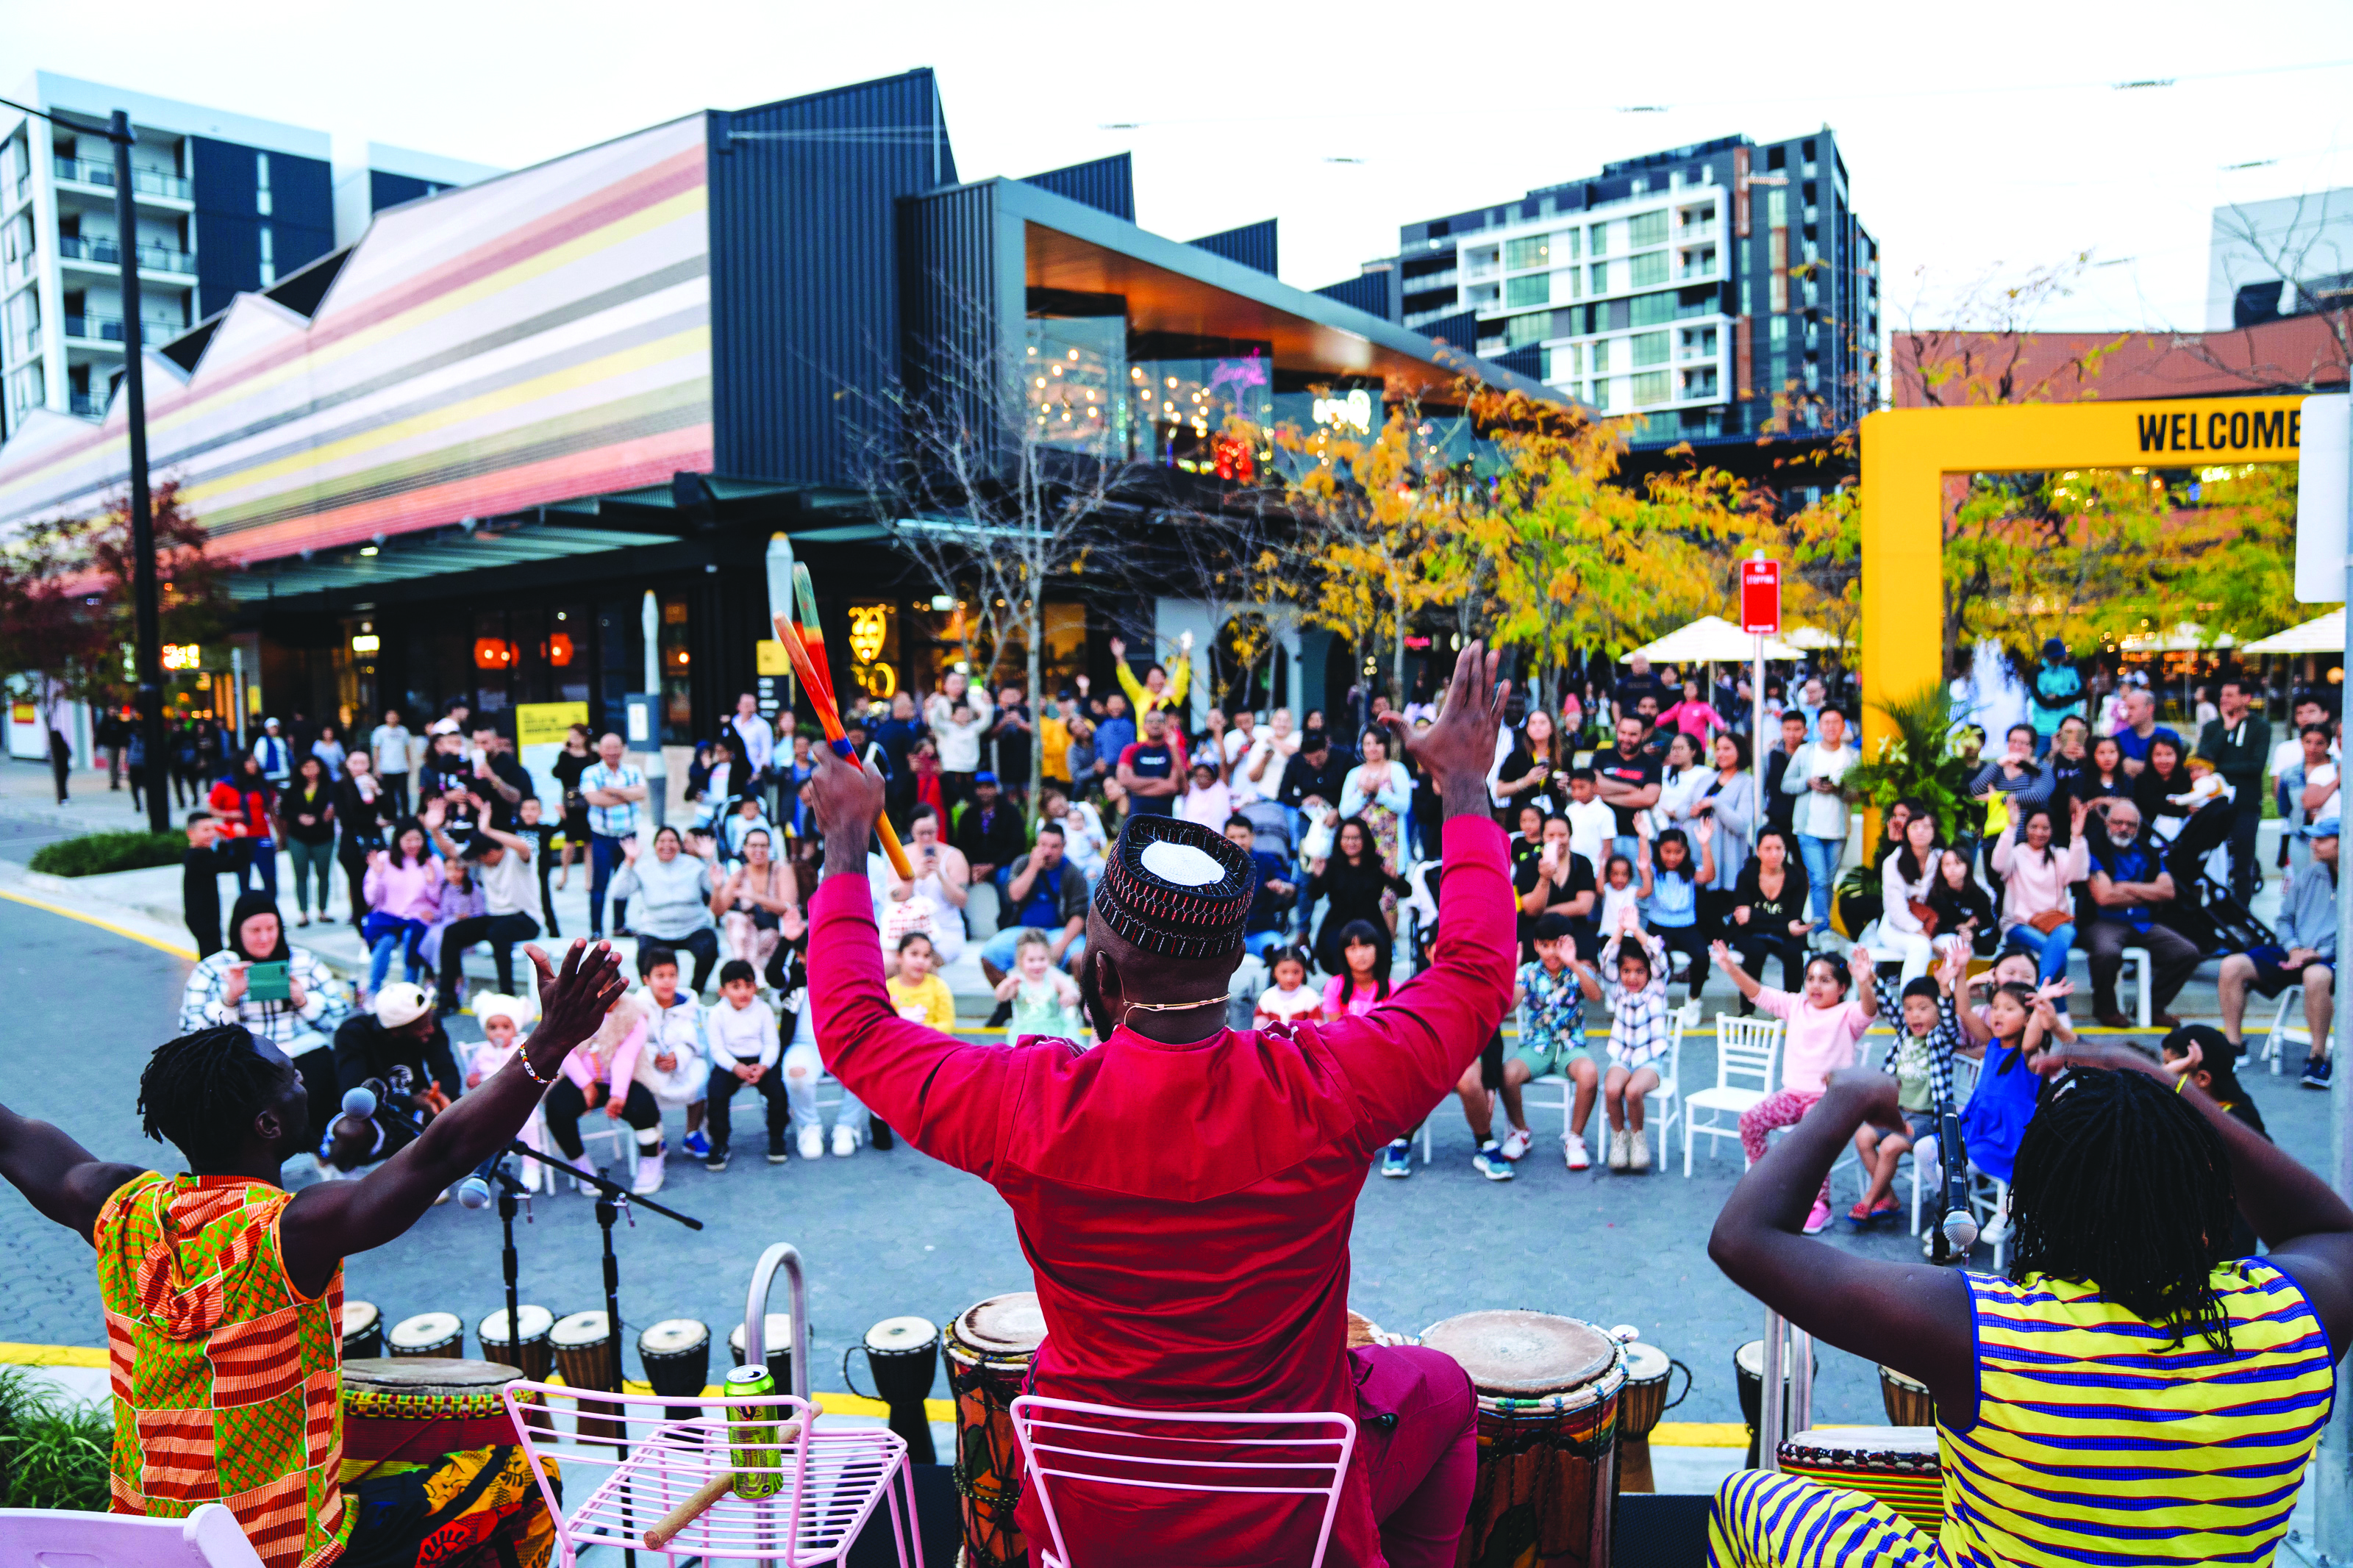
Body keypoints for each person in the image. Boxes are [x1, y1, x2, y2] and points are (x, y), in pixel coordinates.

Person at [804, 642, 1515, 1568]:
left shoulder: (1028, 1103)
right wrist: (1464, 788)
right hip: (1290, 1516)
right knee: (1446, 1391)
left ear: (1098, 971)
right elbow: (1471, 973)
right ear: (1234, 970)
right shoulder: (1328, 1086)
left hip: (1090, 1516)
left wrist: (845, 848)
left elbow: (854, 1029)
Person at [0, 941, 619, 1565]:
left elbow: (12, 1136)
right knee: (520, 1473)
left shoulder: (116, 1208)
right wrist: (550, 1041)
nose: (306, 1082)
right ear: (268, 1125)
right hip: (286, 1554)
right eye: (294, 1076)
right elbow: (444, 1152)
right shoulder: (290, 1233)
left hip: (154, 1548)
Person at [1704, 1031, 2353, 1568]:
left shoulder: (1990, 1331)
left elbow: (1744, 1237)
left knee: (1751, 1498)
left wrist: (1847, 1097)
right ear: (2209, 1203)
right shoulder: (2293, 1321)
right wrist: (2164, 1088)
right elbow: (2330, 1229)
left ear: (2039, 1205)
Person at [1715, 943, 1877, 1234]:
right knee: (1749, 1121)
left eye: (1825, 980)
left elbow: (1869, 1010)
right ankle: (1768, 1183)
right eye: (1811, 978)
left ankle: (1820, 1206)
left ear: (1842, 988)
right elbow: (1758, 993)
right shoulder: (1795, 1006)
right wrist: (1731, 968)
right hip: (1792, 1095)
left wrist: (1865, 982)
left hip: (1830, 1101)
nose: (1815, 985)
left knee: (1814, 1136)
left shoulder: (1848, 1014)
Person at [179, 890, 349, 1153]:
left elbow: (340, 1021)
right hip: (244, 1059)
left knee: (322, 1069)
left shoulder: (303, 962)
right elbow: (190, 1033)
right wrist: (228, 1000)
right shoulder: (214, 969)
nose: (265, 937)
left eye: (272, 928)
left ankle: (326, 1151)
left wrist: (303, 1000)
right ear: (238, 930)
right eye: (255, 930)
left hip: (300, 1053)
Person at [1475, 912, 1603, 1173]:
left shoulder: (1580, 970)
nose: (1551, 952)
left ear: (1568, 943)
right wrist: (1511, 972)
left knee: (1589, 1074)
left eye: (1557, 945)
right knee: (1507, 1074)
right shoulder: (1529, 972)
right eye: (1544, 945)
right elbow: (1509, 1006)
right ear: (1536, 946)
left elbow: (1596, 996)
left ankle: (1575, 1138)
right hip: (1537, 1046)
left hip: (1570, 1047)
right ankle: (1520, 1131)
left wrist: (1574, 963)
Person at [2219, 817, 2338, 1090]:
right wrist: (2294, 948)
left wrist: (2317, 953)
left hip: (2331, 958)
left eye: (2322, 839)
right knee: (2232, 966)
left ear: (2344, 843)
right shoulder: (2308, 874)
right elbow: (2284, 920)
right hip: (2295, 950)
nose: (2313, 844)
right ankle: (2233, 1047)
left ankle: (2318, 1058)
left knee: (2316, 976)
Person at [1851, 948, 1964, 1228]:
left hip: (1925, 1119)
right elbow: (1887, 1004)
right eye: (1910, 1008)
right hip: (1896, 1113)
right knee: (1863, 1137)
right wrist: (1870, 977)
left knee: (1889, 1146)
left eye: (1924, 1008)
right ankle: (1887, 1197)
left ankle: (1867, 1201)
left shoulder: (1941, 1039)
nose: (1914, 1015)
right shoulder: (1905, 1032)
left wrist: (1944, 989)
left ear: (1938, 1010)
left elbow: (1950, 1022)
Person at [2083, 798, 2201, 1030]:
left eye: (2130, 824)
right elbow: (2104, 897)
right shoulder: (2093, 846)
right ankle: (2106, 1008)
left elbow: (2168, 892)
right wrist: (2148, 892)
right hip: (2104, 920)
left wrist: (2124, 886)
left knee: (2187, 953)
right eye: (2118, 822)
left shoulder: (2148, 850)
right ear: (2107, 823)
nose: (2123, 829)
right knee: (2107, 953)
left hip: (2142, 921)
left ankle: (2152, 1006)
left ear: (2138, 828)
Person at [326, 982, 465, 1176]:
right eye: (422, 1027)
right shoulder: (353, 1033)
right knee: (351, 1131)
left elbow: (446, 1070)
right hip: (372, 1111)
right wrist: (411, 1101)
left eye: (430, 1021)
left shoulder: (430, 1023)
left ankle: (431, 1170)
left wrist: (443, 1095)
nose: (431, 1030)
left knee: (459, 1107)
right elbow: (354, 1093)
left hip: (418, 1105)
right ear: (396, 1031)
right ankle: (343, 1175)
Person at [423, 801, 542, 1011]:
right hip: (495, 917)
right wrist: (434, 829)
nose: (479, 862)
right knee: (452, 932)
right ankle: (447, 998)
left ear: (493, 851)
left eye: (481, 857)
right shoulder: (482, 859)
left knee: (498, 932)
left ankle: (507, 995)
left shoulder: (517, 858)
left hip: (526, 919)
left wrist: (487, 830)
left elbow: (523, 845)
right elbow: (451, 850)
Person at [1595, 920, 1674, 1172]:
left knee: (1632, 1091)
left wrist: (1635, 928)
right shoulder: (1618, 990)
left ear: (1649, 973)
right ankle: (1620, 1137)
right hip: (1623, 1057)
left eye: (1640, 971)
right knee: (1611, 1089)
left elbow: (1659, 959)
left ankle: (1638, 1137)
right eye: (1627, 971)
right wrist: (1619, 930)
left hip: (1650, 1061)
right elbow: (1606, 962)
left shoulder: (1657, 989)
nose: (1632, 977)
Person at [1990, 799, 2090, 994]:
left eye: (2045, 828)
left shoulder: (2058, 855)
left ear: (2052, 831)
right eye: (2033, 827)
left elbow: (2079, 874)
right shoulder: (2017, 854)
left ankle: (2037, 993)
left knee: (2066, 933)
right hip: (2019, 925)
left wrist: (2077, 838)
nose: (2039, 832)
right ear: (2026, 828)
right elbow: (1998, 865)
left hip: (2055, 925)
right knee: (2053, 950)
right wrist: (2011, 827)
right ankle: (2050, 1003)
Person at [608, 825, 721, 993]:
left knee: (709, 948)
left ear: (680, 845)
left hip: (693, 927)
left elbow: (716, 888)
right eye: (662, 841)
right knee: (644, 956)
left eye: (672, 841)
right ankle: (654, 995)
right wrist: (629, 862)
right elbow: (618, 892)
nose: (667, 845)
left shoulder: (694, 865)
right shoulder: (643, 868)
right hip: (655, 929)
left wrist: (710, 859)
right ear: (655, 846)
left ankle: (695, 993)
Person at [982, 823, 1090, 983]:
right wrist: (1033, 867)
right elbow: (1014, 895)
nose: (1047, 852)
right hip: (1023, 931)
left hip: (1058, 932)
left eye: (1054, 847)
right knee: (989, 956)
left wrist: (1061, 946)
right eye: (1043, 845)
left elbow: (1079, 916)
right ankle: (1011, 1002)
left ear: (1063, 846)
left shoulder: (1073, 873)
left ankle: (1080, 1005)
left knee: (1080, 960)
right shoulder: (1023, 864)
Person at [1781, 707, 1856, 932]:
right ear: (1818, 726)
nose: (1831, 727)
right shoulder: (1805, 752)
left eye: (1836, 722)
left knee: (1827, 882)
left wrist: (1838, 789)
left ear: (1844, 726)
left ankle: (1821, 926)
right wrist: (1808, 783)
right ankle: (1821, 929)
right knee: (1819, 879)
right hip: (1809, 828)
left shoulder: (1853, 756)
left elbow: (1858, 794)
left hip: (1838, 830)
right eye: (1826, 722)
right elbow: (1786, 784)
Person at [2197, 676, 2271, 900]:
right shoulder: (2213, 727)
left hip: (2246, 804)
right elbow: (2204, 759)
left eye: (2230, 695)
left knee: (2243, 862)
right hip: (2213, 803)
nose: (2224, 699)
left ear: (2246, 698)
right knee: (2210, 858)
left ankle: (2242, 913)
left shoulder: (2260, 727)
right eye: (2222, 695)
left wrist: (2219, 768)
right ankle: (2212, 909)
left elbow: (2256, 765)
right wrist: (2226, 730)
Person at [1308, 818, 1412, 975]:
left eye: (1356, 838)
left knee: (1381, 946)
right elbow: (1315, 894)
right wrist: (1317, 877)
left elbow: (1406, 892)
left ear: (1365, 839)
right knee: (1336, 946)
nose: (1351, 842)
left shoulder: (1377, 864)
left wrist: (1395, 878)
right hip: (1338, 922)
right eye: (1346, 838)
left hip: (1372, 921)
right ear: (1339, 840)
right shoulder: (1331, 864)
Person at [1722, 828, 1811, 1009]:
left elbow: (1793, 919)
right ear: (1758, 851)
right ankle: (1747, 1011)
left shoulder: (1797, 878)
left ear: (1785, 850)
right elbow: (1742, 919)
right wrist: (1783, 925)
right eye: (1768, 848)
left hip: (1783, 934)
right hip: (1748, 933)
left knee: (1794, 953)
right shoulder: (1747, 875)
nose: (1774, 854)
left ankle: (1791, 1009)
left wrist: (1754, 916)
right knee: (1756, 951)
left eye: (1779, 848)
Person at [1635, 820, 1713, 1014]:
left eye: (1678, 852)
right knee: (1654, 956)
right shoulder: (1654, 871)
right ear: (1659, 850)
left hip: (1686, 926)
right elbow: (1643, 865)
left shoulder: (1690, 871)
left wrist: (1705, 844)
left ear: (1686, 851)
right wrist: (1643, 838)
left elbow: (1709, 876)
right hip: (1659, 925)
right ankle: (1657, 998)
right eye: (1667, 851)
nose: (1672, 857)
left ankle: (1694, 999)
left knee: (1703, 957)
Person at [579, 732, 648, 939]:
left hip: (628, 836)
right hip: (603, 836)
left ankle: (620, 925)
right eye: (608, 748)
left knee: (624, 880)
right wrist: (627, 796)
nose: (612, 752)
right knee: (600, 883)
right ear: (600, 750)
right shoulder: (591, 772)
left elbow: (642, 794)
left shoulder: (632, 771)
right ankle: (596, 930)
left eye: (616, 747)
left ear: (622, 749)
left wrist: (611, 791)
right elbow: (594, 799)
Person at [887, 805, 971, 969]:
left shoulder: (954, 856)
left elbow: (962, 901)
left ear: (938, 830)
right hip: (907, 929)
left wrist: (941, 875)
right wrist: (914, 877)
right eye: (921, 833)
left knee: (923, 964)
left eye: (930, 832)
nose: (926, 838)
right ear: (912, 832)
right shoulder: (901, 855)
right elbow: (894, 897)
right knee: (888, 964)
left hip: (945, 930)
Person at [715, 826, 803, 975]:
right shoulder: (739, 874)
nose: (759, 850)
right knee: (735, 920)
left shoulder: (781, 870)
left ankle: (748, 975)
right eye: (754, 845)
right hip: (747, 935)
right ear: (745, 848)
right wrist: (717, 888)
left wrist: (754, 897)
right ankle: (748, 973)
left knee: (759, 939)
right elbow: (718, 910)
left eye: (763, 846)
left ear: (769, 848)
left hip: (776, 931)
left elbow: (789, 907)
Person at [1876, 801, 1942, 983]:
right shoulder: (1892, 862)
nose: (1920, 831)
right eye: (1914, 827)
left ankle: (1951, 1005)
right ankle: (1912, 1003)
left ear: (1934, 832)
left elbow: (1976, 891)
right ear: (1906, 832)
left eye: (1926, 827)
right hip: (1895, 927)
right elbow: (1897, 913)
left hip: (1934, 925)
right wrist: (1931, 942)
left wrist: (1969, 923)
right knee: (1920, 946)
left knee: (1955, 946)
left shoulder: (1943, 859)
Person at [1593, 714, 1663, 864]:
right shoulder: (1602, 757)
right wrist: (1632, 789)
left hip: (1636, 836)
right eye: (1623, 732)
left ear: (1643, 735)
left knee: (1636, 885)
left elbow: (1649, 798)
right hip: (1600, 835)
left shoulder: (1652, 764)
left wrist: (1607, 795)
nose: (1626, 738)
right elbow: (1595, 785)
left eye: (1633, 734)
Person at [996, 928, 1085, 1044]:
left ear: (1049, 958)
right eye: (1031, 960)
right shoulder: (1018, 981)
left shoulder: (1053, 978)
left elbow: (1073, 991)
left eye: (1042, 959)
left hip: (1054, 1033)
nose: (1037, 965)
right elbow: (1001, 997)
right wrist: (1007, 985)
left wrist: (1070, 995)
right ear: (1021, 961)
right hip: (1026, 1034)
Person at [279, 754, 338, 928]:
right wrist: (299, 817)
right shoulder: (292, 789)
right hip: (298, 836)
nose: (311, 771)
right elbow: (284, 810)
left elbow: (334, 807)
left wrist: (324, 816)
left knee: (323, 873)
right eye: (306, 767)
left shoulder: (330, 788)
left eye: (314, 767)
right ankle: (303, 912)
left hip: (323, 835)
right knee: (301, 874)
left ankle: (323, 910)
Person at [332, 751, 385, 925]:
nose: (359, 767)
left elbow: (390, 813)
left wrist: (378, 791)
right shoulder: (339, 787)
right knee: (357, 883)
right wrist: (374, 821)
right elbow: (345, 818)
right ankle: (360, 919)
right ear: (347, 764)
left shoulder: (375, 783)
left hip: (374, 841)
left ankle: (378, 916)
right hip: (352, 841)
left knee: (379, 880)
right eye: (355, 762)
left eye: (363, 762)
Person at [181, 811, 241, 959]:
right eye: (206, 830)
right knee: (212, 957)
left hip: (206, 917)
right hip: (203, 920)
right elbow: (232, 864)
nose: (212, 834)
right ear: (191, 833)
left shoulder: (200, 853)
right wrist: (240, 838)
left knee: (213, 954)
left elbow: (220, 861)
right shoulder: (196, 857)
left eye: (213, 829)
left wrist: (223, 843)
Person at [2280, 723, 2339, 873]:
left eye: (2319, 743)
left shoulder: (2339, 769)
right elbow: (2285, 807)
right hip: (2301, 835)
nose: (2313, 748)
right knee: (2303, 881)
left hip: (2331, 836)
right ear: (2301, 742)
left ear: (2328, 744)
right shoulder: (2290, 773)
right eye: (2308, 742)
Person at [1490, 709, 1565, 825]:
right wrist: (1525, 782)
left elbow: (1574, 793)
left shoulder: (1563, 757)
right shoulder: (1516, 757)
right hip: (1521, 823)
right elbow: (1498, 792)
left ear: (1552, 728)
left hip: (1553, 822)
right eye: (1533, 723)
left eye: (1542, 722)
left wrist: (1567, 788)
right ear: (1528, 729)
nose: (1538, 727)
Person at [1115, 706, 1188, 822]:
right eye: (1150, 721)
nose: (1155, 724)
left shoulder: (1176, 751)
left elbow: (1173, 786)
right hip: (1137, 816)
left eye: (1160, 721)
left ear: (1166, 725)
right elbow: (1124, 780)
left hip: (1167, 817)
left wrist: (1136, 788)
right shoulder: (1130, 750)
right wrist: (1159, 782)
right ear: (1143, 726)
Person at [1108, 630, 1193, 715]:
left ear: (1165, 679)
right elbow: (1126, 680)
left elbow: (1182, 679)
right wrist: (1119, 657)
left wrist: (1185, 651)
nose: (1157, 681)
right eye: (1153, 678)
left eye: (1160, 677)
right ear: (1146, 681)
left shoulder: (1172, 695)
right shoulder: (1139, 696)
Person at [2027, 636, 2083, 753]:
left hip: (2071, 725)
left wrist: (2058, 697)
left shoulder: (2071, 669)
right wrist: (2066, 698)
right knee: (2040, 763)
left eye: (2060, 658)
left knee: (2075, 758)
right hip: (2043, 728)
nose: (2058, 661)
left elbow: (2081, 693)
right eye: (2054, 658)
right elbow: (2042, 701)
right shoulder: (2038, 672)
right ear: (2045, 656)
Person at [1760, 709, 1810, 836]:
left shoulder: (1811, 753)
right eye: (1787, 729)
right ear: (1781, 730)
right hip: (1777, 819)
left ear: (1805, 731)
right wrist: (1765, 807)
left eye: (1797, 729)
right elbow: (1762, 784)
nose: (1792, 734)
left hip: (1806, 821)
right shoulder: (1771, 755)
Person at [2112, 684, 2181, 774]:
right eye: (2126, 708)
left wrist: (2143, 767)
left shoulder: (2169, 736)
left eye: (2132, 708)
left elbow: (2178, 769)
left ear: (2149, 709)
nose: (2128, 713)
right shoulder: (2119, 738)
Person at [1254, 945, 1324, 1028]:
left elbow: (1316, 1029)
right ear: (1273, 972)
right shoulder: (1267, 997)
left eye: (1296, 972)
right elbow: (1259, 1030)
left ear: (1304, 971)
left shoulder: (1310, 997)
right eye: (1284, 972)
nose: (1290, 978)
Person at [369, 707, 414, 817]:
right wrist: (376, 768)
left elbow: (407, 749)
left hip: (401, 767)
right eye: (390, 716)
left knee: (403, 793)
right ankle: (392, 817)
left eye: (395, 716)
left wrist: (409, 764)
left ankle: (406, 816)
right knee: (389, 794)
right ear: (386, 718)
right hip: (386, 768)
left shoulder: (404, 731)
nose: (392, 718)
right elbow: (376, 751)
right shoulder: (380, 731)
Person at [251, 715, 295, 790]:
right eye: (272, 728)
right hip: (271, 775)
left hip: (285, 774)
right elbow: (259, 757)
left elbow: (289, 756)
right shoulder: (263, 741)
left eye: (276, 727)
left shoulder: (283, 741)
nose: (274, 729)